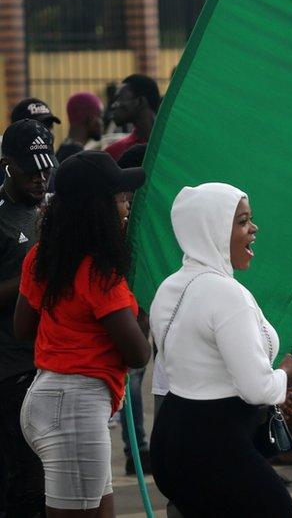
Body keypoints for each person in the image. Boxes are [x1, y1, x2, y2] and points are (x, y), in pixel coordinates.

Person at [149, 183, 292, 517]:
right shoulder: (225, 294)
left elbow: (204, 369)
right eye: (242, 221)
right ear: (213, 230)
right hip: (214, 445)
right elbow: (255, 389)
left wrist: (277, 390)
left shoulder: (170, 286)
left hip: (173, 435)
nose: (254, 229)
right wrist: (285, 375)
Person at [15, 150, 150, 516]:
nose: (126, 208)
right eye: (121, 199)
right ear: (99, 209)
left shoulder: (42, 256)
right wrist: (145, 307)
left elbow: (22, 327)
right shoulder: (101, 274)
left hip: (46, 395)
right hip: (75, 408)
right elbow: (138, 355)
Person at [0, 120, 55, 517]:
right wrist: (32, 279)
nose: (40, 177)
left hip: (50, 362)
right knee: (25, 482)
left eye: (46, 168)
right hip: (11, 368)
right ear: (7, 166)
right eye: (30, 170)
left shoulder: (48, 210)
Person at [104, 74, 160, 161]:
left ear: (140, 101)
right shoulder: (113, 153)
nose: (113, 105)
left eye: (120, 98)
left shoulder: (170, 145)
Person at [56, 92, 104, 163]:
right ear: (90, 118)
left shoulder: (64, 151)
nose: (102, 122)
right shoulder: (79, 159)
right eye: (100, 116)